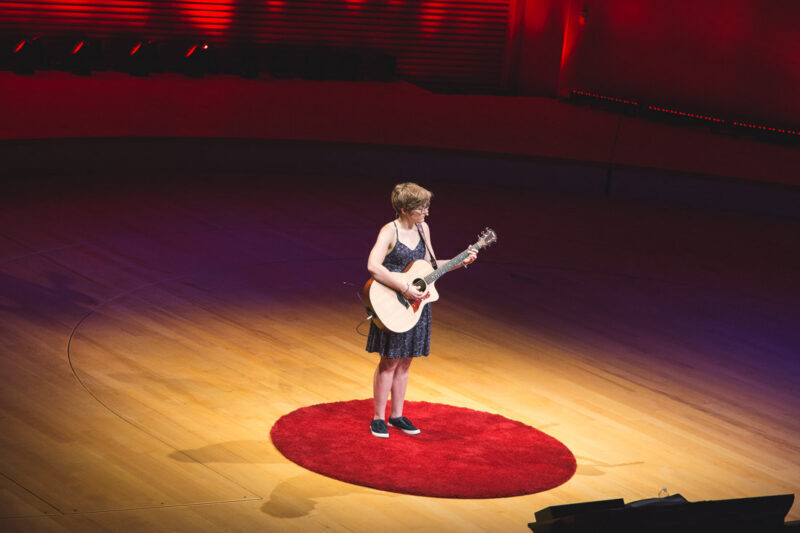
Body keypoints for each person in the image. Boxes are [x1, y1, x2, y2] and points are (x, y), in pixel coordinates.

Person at [366, 182, 477, 438]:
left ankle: (397, 415)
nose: (426, 212)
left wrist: (461, 261)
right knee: (389, 361)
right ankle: (378, 418)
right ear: (405, 209)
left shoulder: (422, 228)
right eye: (421, 208)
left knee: (405, 362)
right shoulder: (389, 231)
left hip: (417, 305)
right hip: (394, 302)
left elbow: (429, 268)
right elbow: (373, 266)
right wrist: (404, 287)